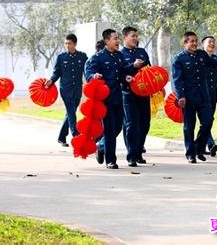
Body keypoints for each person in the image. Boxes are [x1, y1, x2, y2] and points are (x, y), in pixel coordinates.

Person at [172, 31, 217, 163]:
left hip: (204, 96)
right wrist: (181, 96)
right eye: (191, 41)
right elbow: (178, 80)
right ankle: (190, 154)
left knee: (207, 122)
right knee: (189, 127)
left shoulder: (201, 54)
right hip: (188, 98)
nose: (194, 43)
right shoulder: (179, 59)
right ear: (185, 43)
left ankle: (198, 147)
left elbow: (214, 63)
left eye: (196, 41)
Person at [84, 29, 135, 169]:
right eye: (115, 39)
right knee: (109, 129)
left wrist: (126, 77)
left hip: (118, 97)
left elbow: (123, 72)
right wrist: (92, 77)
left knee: (118, 126)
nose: (118, 41)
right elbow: (88, 70)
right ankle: (111, 160)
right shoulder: (98, 57)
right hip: (104, 99)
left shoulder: (119, 56)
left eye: (118, 38)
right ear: (107, 41)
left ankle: (101, 147)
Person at [46, 34, 88, 147]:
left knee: (71, 113)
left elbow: (87, 71)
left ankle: (61, 137)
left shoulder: (82, 56)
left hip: (77, 89)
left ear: (75, 44)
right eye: (65, 43)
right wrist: (51, 81)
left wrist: (92, 80)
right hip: (65, 89)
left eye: (69, 43)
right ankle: (76, 135)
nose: (67, 45)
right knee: (71, 112)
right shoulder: (61, 57)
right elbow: (56, 72)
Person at [121, 26, 150, 167]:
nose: (135, 38)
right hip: (128, 93)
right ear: (125, 37)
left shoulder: (142, 52)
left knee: (145, 124)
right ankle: (131, 155)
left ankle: (138, 151)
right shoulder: (120, 54)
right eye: (132, 36)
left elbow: (149, 70)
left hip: (144, 93)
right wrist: (133, 66)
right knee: (131, 124)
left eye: (136, 36)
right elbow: (120, 73)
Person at [202, 36, 217, 157]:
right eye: (209, 42)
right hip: (200, 95)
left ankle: (201, 145)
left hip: (212, 95)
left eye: (213, 42)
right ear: (203, 45)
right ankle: (211, 144)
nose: (212, 44)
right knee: (205, 120)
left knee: (209, 120)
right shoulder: (199, 58)